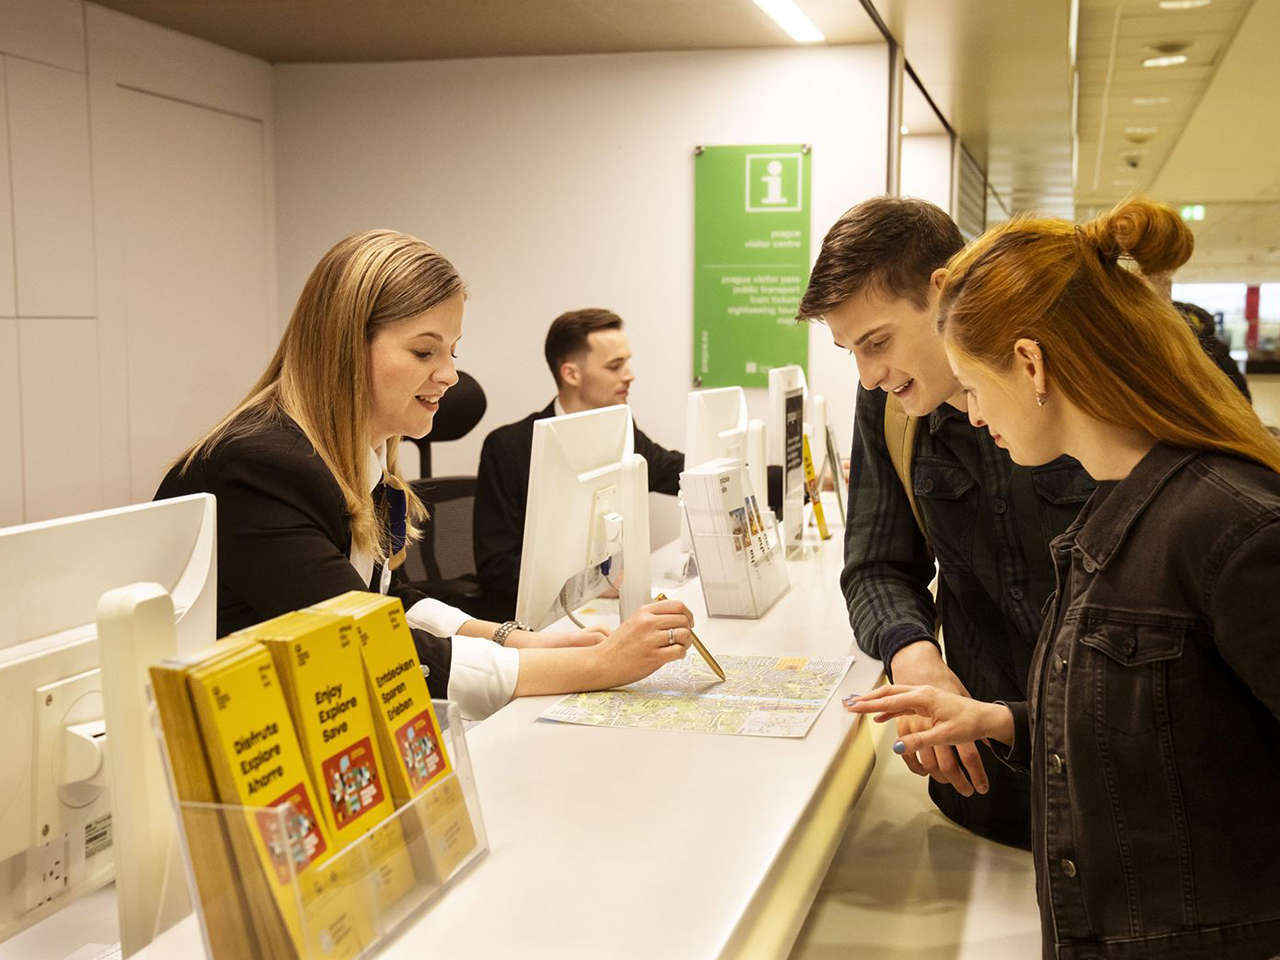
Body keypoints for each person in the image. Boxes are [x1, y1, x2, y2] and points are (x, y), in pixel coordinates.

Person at [847, 198, 1280, 960]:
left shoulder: (1230, 526)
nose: (970, 415)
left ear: (1030, 364)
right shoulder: (1108, 521)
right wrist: (1003, 722)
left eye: (972, 388)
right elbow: (1157, 717)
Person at [156, 231, 694, 721]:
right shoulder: (261, 468)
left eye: (452, 351)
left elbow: (386, 599)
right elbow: (371, 648)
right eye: (424, 351)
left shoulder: (361, 460)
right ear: (344, 346)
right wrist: (597, 665)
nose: (450, 375)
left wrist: (514, 640)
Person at [797, 197, 1097, 849]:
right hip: (982, 785)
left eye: (877, 342)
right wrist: (914, 658)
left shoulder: (1082, 388)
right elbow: (876, 565)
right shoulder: (890, 406)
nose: (868, 376)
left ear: (944, 292)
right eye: (850, 351)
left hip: (1114, 787)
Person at [474, 308, 684, 619]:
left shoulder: (621, 430)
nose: (629, 375)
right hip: (538, 621)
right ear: (571, 374)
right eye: (615, 366)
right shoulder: (508, 447)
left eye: (627, 362)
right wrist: (593, 583)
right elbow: (496, 566)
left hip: (600, 611)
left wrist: (741, 466)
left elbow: (671, 470)